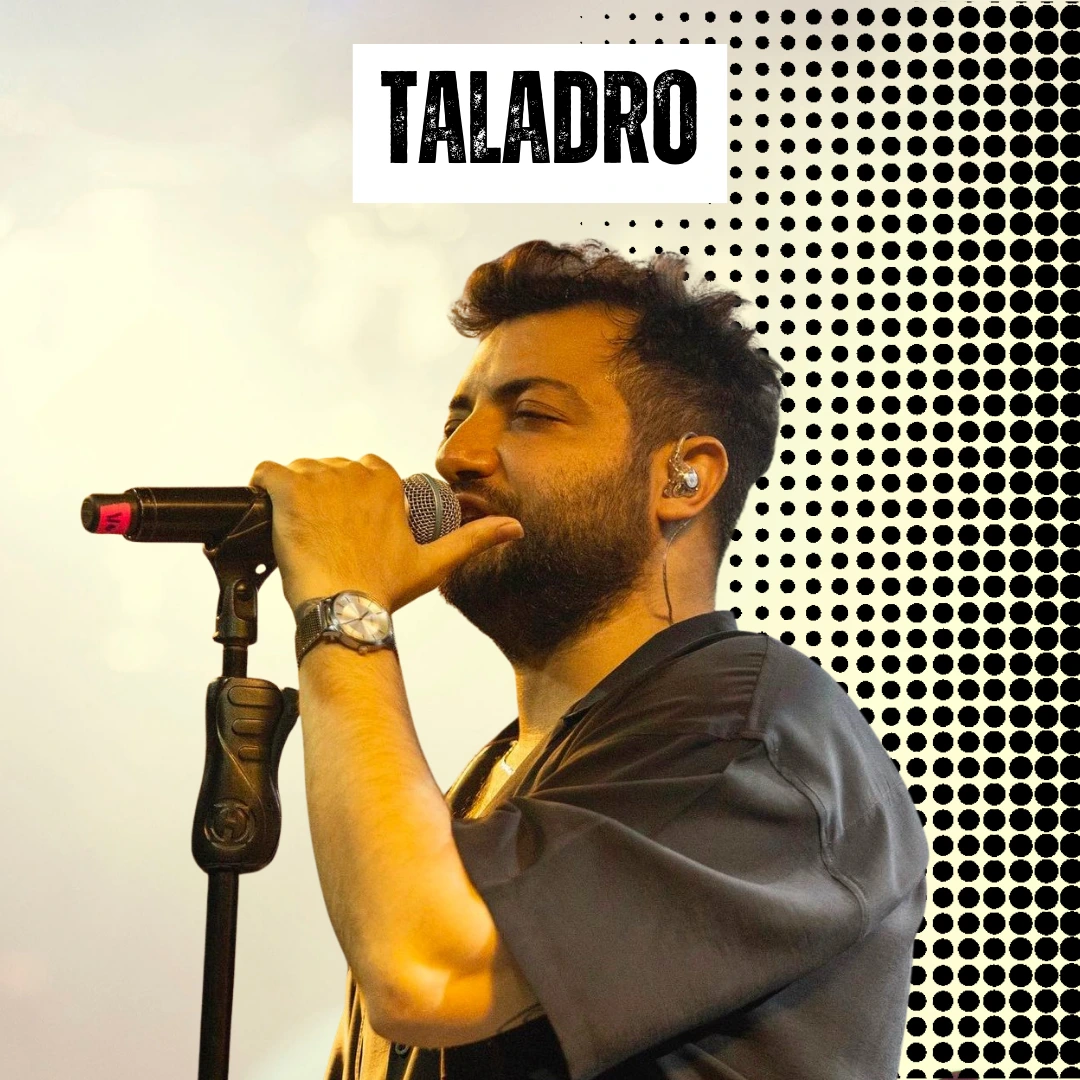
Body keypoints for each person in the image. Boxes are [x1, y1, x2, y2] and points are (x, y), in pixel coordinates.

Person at [250, 239, 929, 1080]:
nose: (457, 455)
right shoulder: (501, 774)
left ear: (684, 478)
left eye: (531, 415)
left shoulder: (750, 740)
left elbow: (428, 973)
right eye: (457, 419)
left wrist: (345, 609)